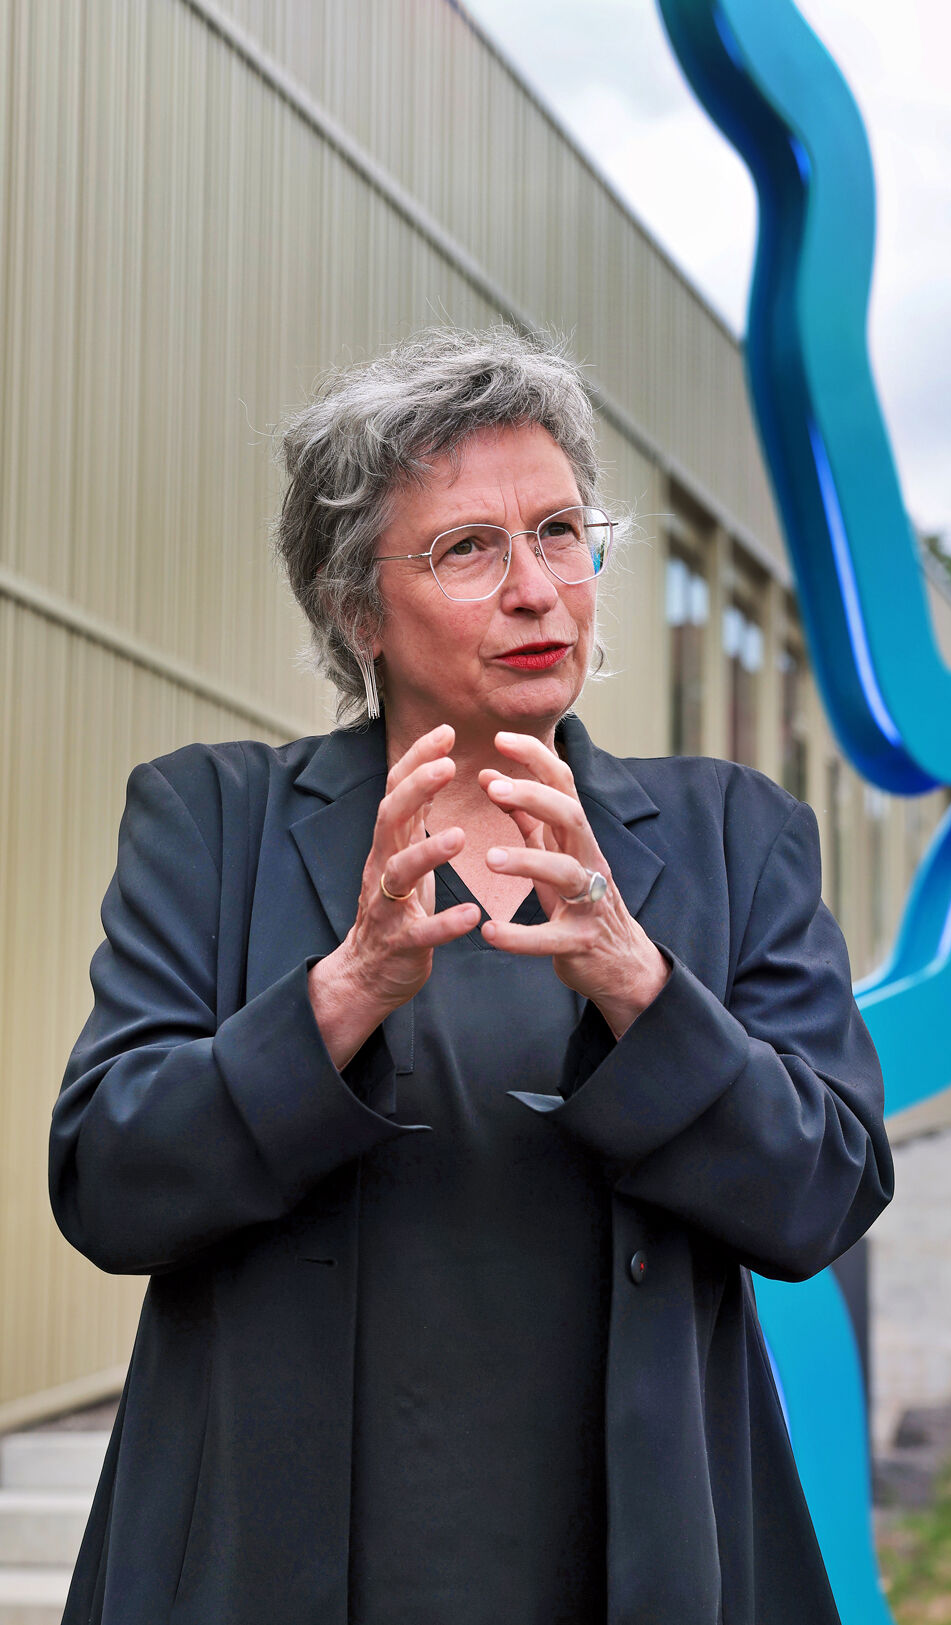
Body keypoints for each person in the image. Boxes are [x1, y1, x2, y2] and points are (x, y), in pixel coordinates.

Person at [51, 325, 894, 1625]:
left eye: (559, 532)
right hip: (279, 1563)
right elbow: (109, 1186)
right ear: (356, 610)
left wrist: (640, 986)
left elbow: (822, 1194)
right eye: (466, 548)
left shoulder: (733, 833)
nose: (537, 589)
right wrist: (344, 992)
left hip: (635, 1563)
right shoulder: (210, 822)